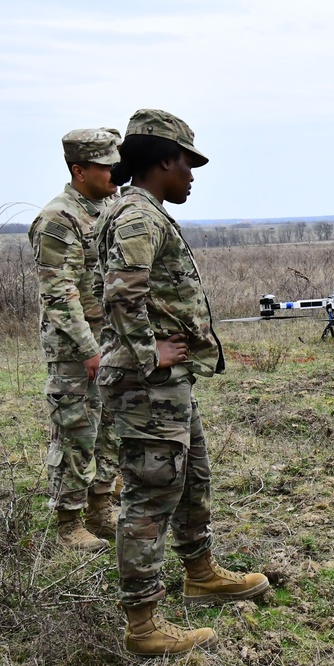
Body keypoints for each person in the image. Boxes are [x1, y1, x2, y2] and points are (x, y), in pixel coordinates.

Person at [95, 109, 269, 656]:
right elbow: (122, 294)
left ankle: (201, 574)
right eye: (186, 164)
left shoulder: (143, 210)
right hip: (150, 385)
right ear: (162, 161)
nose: (192, 175)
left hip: (168, 385)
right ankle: (143, 626)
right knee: (150, 496)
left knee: (190, 477)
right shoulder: (138, 216)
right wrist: (151, 355)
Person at [28, 128, 122, 551]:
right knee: (75, 431)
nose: (114, 173)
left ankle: (100, 507)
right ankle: (69, 523)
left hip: (111, 338)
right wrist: (88, 349)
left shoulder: (109, 208)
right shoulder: (57, 219)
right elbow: (58, 292)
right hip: (74, 347)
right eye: (105, 166)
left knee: (108, 430)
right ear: (79, 170)